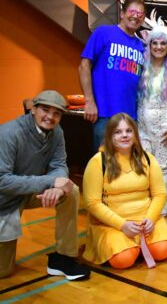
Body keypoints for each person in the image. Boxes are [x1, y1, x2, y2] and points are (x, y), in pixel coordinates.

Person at [0, 90, 90, 280]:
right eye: (45, 110)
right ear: (33, 109)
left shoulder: (57, 132)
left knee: (70, 191)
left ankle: (64, 258)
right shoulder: (8, 133)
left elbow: (59, 165)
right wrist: (50, 181)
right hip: (5, 199)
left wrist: (58, 187)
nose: (50, 117)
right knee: (3, 272)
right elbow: (2, 180)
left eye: (56, 113)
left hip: (30, 191)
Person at [83, 113, 167, 269]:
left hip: (145, 221)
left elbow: (160, 194)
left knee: (164, 250)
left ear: (135, 134)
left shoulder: (148, 159)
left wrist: (150, 219)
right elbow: (92, 203)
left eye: (129, 131)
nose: (124, 135)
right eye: (118, 132)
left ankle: (136, 247)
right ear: (110, 136)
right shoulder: (98, 161)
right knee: (122, 260)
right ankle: (129, 248)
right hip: (113, 224)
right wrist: (122, 225)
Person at [79, 0, 146, 151]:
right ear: (122, 13)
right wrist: (89, 102)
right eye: (132, 11)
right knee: (104, 162)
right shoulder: (104, 32)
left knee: (126, 164)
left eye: (140, 14)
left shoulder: (141, 46)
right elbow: (84, 66)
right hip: (104, 113)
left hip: (131, 117)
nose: (136, 16)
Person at [137, 26, 167, 216]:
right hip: (142, 127)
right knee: (145, 165)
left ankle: (163, 206)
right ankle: (147, 203)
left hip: (166, 128)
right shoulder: (141, 69)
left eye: (163, 43)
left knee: (164, 168)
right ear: (149, 46)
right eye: (154, 43)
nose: (158, 47)